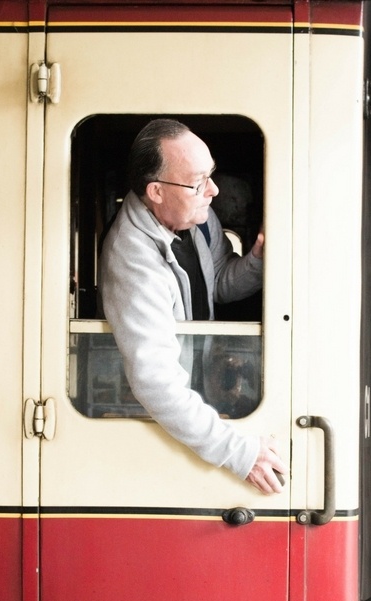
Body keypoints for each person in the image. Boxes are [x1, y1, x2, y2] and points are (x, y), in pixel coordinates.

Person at [100, 118, 287, 494]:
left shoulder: (196, 216)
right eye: (199, 181)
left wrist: (259, 260)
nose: (213, 190)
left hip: (198, 398)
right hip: (160, 422)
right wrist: (241, 454)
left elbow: (216, 283)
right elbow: (155, 381)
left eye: (211, 175)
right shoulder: (131, 256)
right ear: (156, 191)